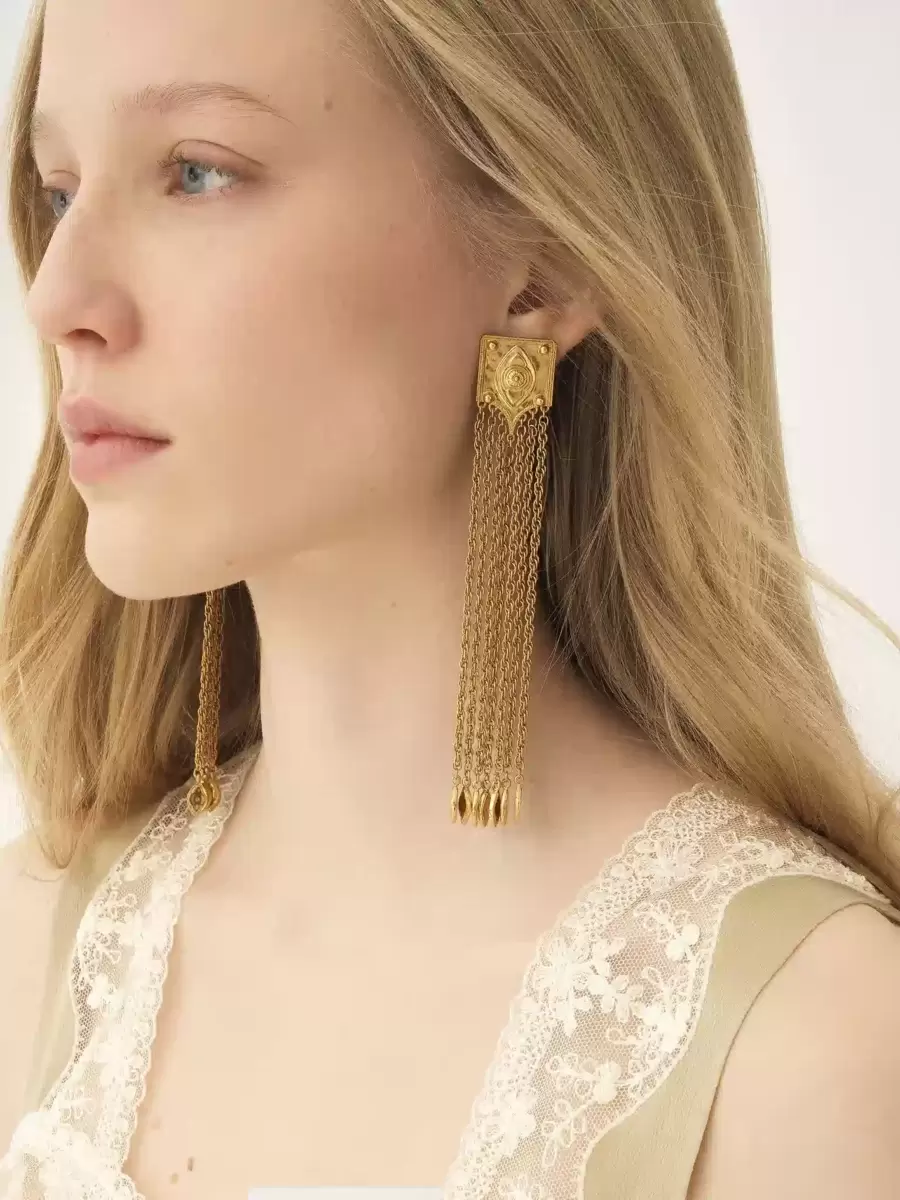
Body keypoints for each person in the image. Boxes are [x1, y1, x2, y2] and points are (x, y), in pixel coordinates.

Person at [0, 0, 899, 1196]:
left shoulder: (808, 1057)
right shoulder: (27, 954)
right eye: (59, 191)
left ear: (543, 270)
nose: (60, 295)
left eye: (197, 172)